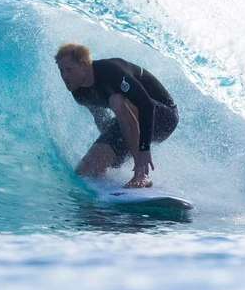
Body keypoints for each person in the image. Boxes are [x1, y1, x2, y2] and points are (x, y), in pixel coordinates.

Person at [55, 43, 178, 188]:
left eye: (69, 70)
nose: (64, 76)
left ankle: (142, 174)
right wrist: (110, 148)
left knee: (117, 100)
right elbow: (102, 120)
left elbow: (146, 105)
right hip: (130, 120)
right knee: (85, 171)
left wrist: (144, 149)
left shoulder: (111, 71)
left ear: (83, 65)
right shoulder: (79, 92)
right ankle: (108, 201)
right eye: (61, 70)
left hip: (162, 117)